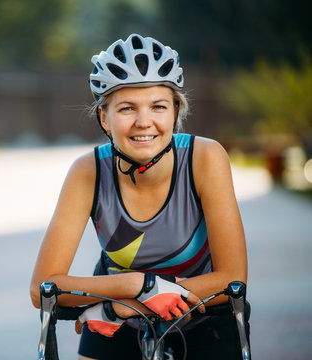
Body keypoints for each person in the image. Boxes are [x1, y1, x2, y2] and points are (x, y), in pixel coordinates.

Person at [30, 33, 249, 359]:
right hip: (115, 320)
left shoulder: (205, 158)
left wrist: (122, 308)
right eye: (127, 108)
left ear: (175, 111)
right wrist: (138, 286)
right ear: (104, 117)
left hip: (201, 317)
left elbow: (232, 279)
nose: (143, 122)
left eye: (158, 106)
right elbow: (42, 288)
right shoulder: (87, 171)